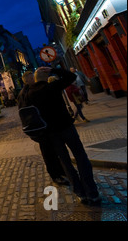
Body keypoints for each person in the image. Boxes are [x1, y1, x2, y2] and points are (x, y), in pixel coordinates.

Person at [27, 66, 100, 205]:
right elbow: (71, 77)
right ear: (46, 77)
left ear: (35, 79)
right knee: (81, 157)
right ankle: (92, 192)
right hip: (66, 127)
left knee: (65, 161)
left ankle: (79, 192)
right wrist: (54, 69)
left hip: (51, 133)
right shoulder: (53, 87)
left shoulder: (31, 93)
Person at [18, 71, 68, 186]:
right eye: (32, 78)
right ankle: (55, 175)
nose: (34, 80)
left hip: (40, 126)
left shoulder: (26, 92)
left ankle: (59, 171)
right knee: (48, 152)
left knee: (52, 151)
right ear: (28, 80)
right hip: (39, 127)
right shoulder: (26, 93)